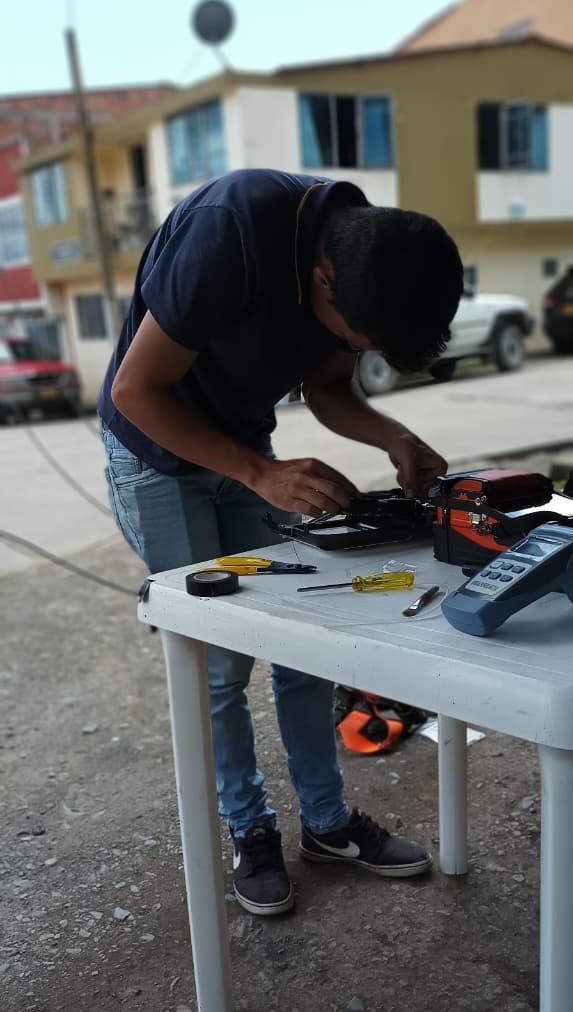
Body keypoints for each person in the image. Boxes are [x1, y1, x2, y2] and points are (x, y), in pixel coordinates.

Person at [98, 167, 464, 917]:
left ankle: (327, 823)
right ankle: (250, 830)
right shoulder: (228, 234)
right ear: (322, 279)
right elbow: (136, 391)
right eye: (357, 340)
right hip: (157, 453)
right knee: (218, 664)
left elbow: (327, 389)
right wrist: (258, 472)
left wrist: (396, 438)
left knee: (306, 644)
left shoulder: (372, 255)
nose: (352, 348)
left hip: (246, 448)